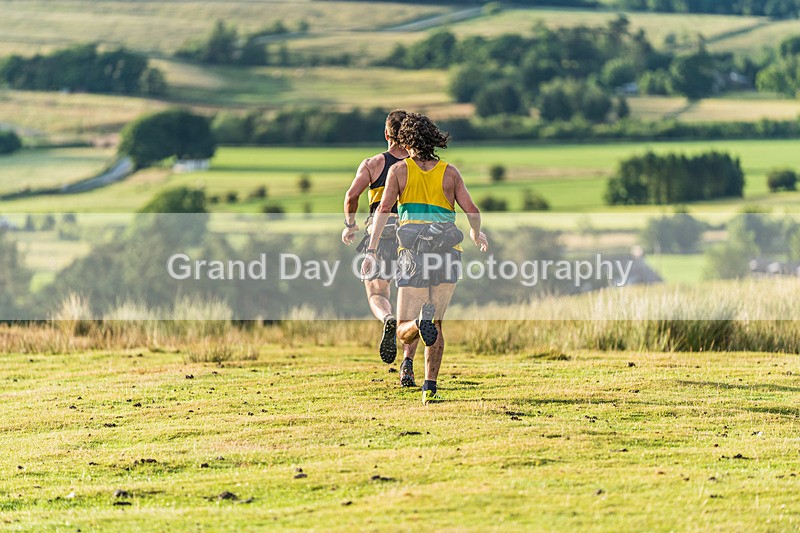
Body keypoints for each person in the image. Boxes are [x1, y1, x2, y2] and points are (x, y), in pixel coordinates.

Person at [362, 112, 489, 404]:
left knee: (406, 328)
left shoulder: (399, 171)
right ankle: (429, 388)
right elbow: (472, 211)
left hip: (414, 253)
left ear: (406, 141)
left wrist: (371, 250)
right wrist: (475, 233)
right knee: (439, 323)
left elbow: (382, 212)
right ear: (434, 138)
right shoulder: (450, 172)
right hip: (448, 252)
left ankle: (419, 323)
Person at [342, 109, 419, 387]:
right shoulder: (418, 164)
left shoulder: (373, 164)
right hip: (413, 236)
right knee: (412, 305)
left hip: (381, 232)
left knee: (376, 292)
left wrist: (350, 224)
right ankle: (407, 365)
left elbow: (351, 196)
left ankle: (387, 318)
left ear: (387, 134)